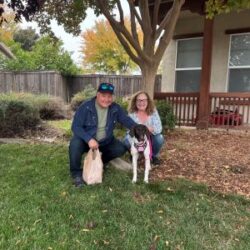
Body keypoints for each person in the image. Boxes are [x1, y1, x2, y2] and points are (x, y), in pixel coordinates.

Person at [69, 82, 137, 187]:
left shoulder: (115, 108)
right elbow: (75, 126)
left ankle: (101, 161)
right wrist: (89, 139)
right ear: (97, 95)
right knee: (74, 144)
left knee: (120, 148)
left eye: (109, 96)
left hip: (105, 141)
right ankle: (76, 174)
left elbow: (126, 120)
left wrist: (139, 128)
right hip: (87, 141)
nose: (106, 99)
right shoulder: (86, 107)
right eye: (103, 96)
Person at [123, 91, 164, 165]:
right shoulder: (131, 114)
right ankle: (135, 154)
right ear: (135, 102)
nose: (141, 102)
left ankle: (153, 155)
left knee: (159, 138)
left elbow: (159, 128)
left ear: (148, 101)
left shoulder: (153, 111)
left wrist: (149, 129)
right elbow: (129, 131)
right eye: (139, 100)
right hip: (137, 138)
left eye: (144, 100)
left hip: (150, 138)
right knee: (126, 140)